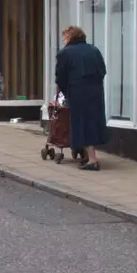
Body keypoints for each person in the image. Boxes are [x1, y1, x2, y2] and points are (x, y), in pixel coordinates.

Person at [54, 24, 107, 170]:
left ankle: (92, 160)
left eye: (64, 36)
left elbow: (60, 76)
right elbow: (103, 70)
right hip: (96, 92)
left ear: (70, 36)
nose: (63, 40)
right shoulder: (94, 50)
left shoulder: (65, 53)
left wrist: (65, 93)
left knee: (82, 124)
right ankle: (88, 155)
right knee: (92, 122)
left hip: (78, 92)